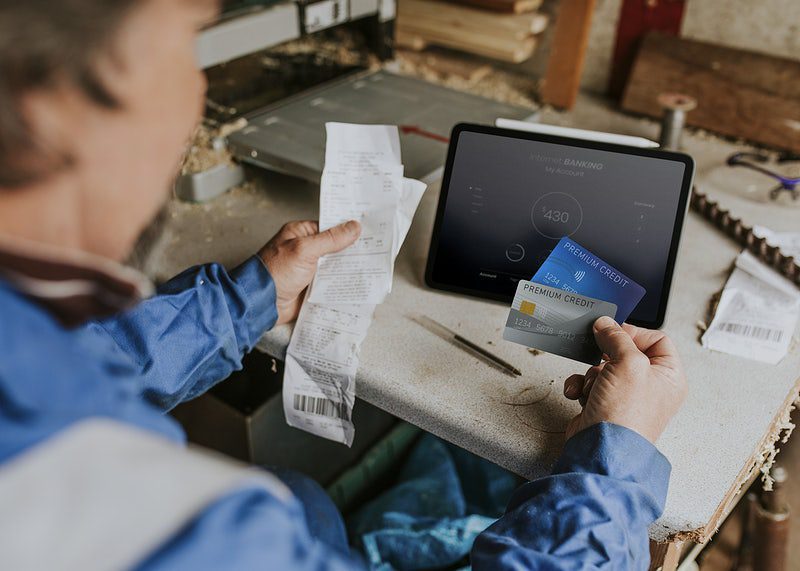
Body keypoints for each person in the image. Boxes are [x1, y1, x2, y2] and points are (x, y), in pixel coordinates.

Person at [0, 1, 688, 569]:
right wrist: (613, 460)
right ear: (51, 106)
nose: (200, 93)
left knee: (301, 494)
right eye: (189, 44)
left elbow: (65, 367)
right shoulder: (189, 533)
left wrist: (244, 301)